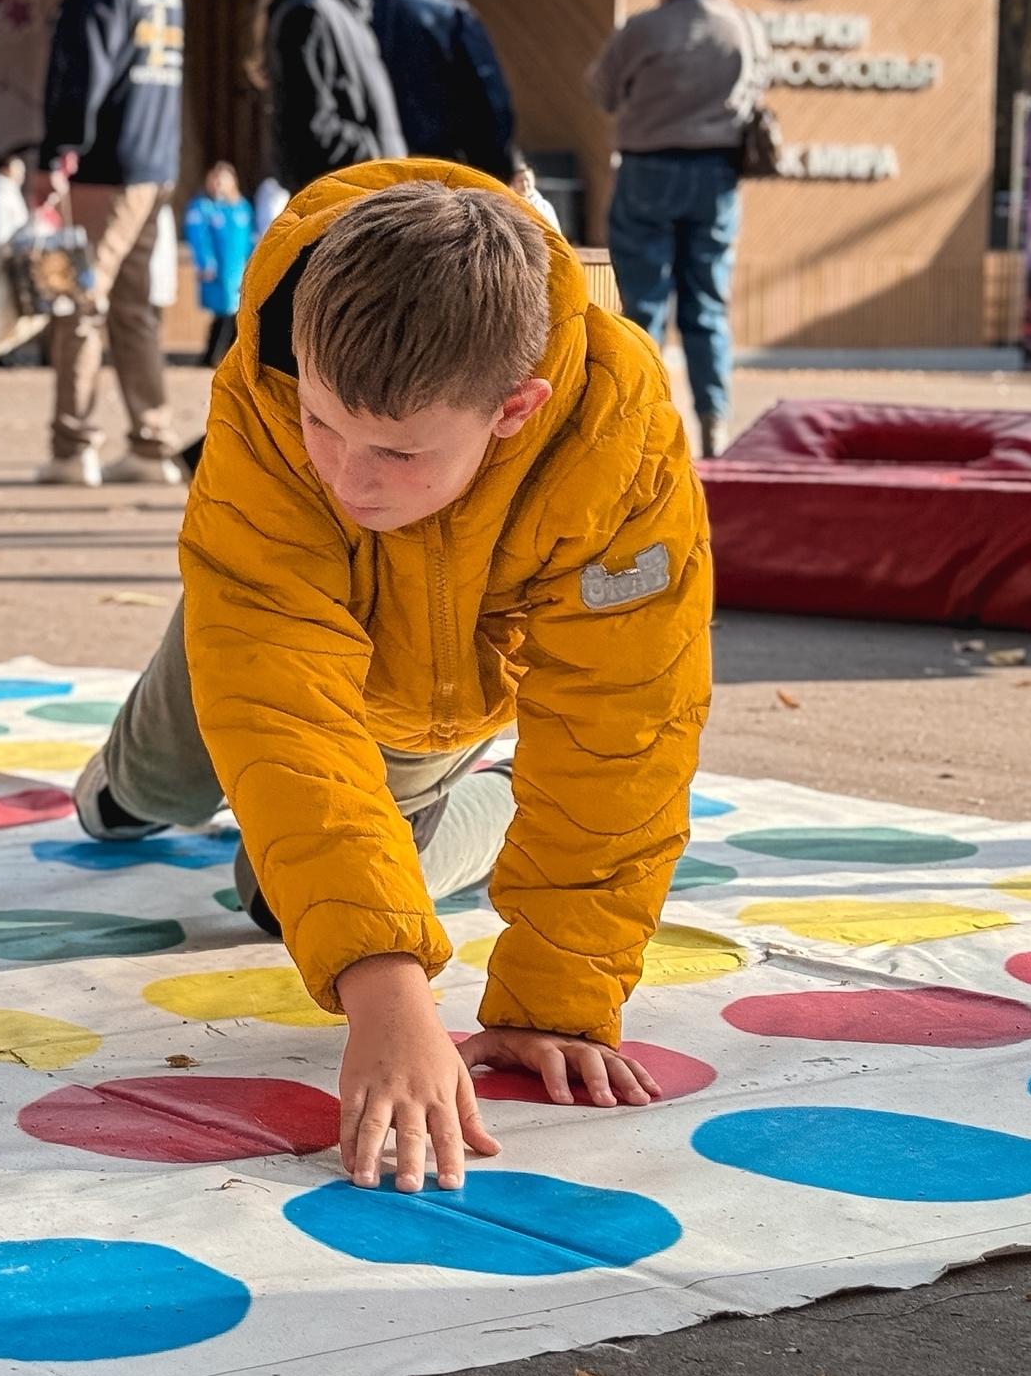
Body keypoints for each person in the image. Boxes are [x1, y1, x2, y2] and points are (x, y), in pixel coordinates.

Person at [74, 168, 711, 1193]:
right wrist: (384, 997)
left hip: (438, 694)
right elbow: (273, 690)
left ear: (515, 410)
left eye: (396, 451)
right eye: (323, 424)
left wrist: (554, 997)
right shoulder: (271, 367)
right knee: (143, 791)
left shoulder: (616, 431)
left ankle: (490, 805)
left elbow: (623, 722)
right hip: (272, 619)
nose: (346, 476)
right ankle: (122, 787)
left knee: (287, 907)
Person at [587, 0, 766, 460]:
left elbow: (603, 91)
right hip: (717, 176)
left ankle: (640, 426)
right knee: (707, 302)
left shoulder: (644, 29)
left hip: (649, 170)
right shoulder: (743, 25)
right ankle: (714, 425)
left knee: (642, 304)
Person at [29, 0, 184, 488]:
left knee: (77, 302)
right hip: (154, 166)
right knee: (133, 309)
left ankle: (73, 447)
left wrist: (53, 155)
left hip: (105, 170)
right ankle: (151, 443)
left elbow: (80, 76)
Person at [257, 0, 406, 192]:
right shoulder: (310, 14)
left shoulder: (347, 14)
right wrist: (384, 161)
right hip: (341, 217)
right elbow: (307, 136)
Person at [371, 0, 521, 180]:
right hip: (444, 173)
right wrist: (496, 174)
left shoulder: (355, 15)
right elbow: (492, 103)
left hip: (370, 173)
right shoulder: (451, 17)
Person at [183, 163, 254, 368]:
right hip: (219, 270)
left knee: (236, 313)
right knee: (224, 312)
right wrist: (205, 261)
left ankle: (228, 357)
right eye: (215, 179)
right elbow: (198, 236)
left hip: (238, 268)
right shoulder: (204, 207)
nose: (218, 184)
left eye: (223, 179)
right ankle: (213, 355)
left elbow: (250, 238)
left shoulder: (242, 208)